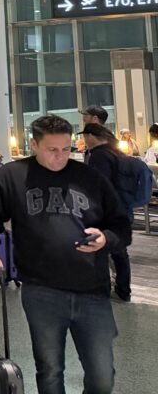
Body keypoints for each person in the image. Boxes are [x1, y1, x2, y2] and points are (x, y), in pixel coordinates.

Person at [0, 114, 131, 394]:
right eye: (52, 150)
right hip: (41, 290)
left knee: (102, 375)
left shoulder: (90, 177)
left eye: (66, 149)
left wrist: (105, 239)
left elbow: (121, 226)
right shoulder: (13, 175)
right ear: (34, 144)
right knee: (49, 370)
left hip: (92, 290)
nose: (60, 157)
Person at [81, 122, 132, 302]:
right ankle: (123, 289)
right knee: (119, 249)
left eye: (85, 136)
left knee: (104, 248)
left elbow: (99, 184)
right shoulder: (116, 151)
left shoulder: (99, 156)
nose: (84, 140)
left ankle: (109, 288)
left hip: (106, 210)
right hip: (123, 206)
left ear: (91, 136)